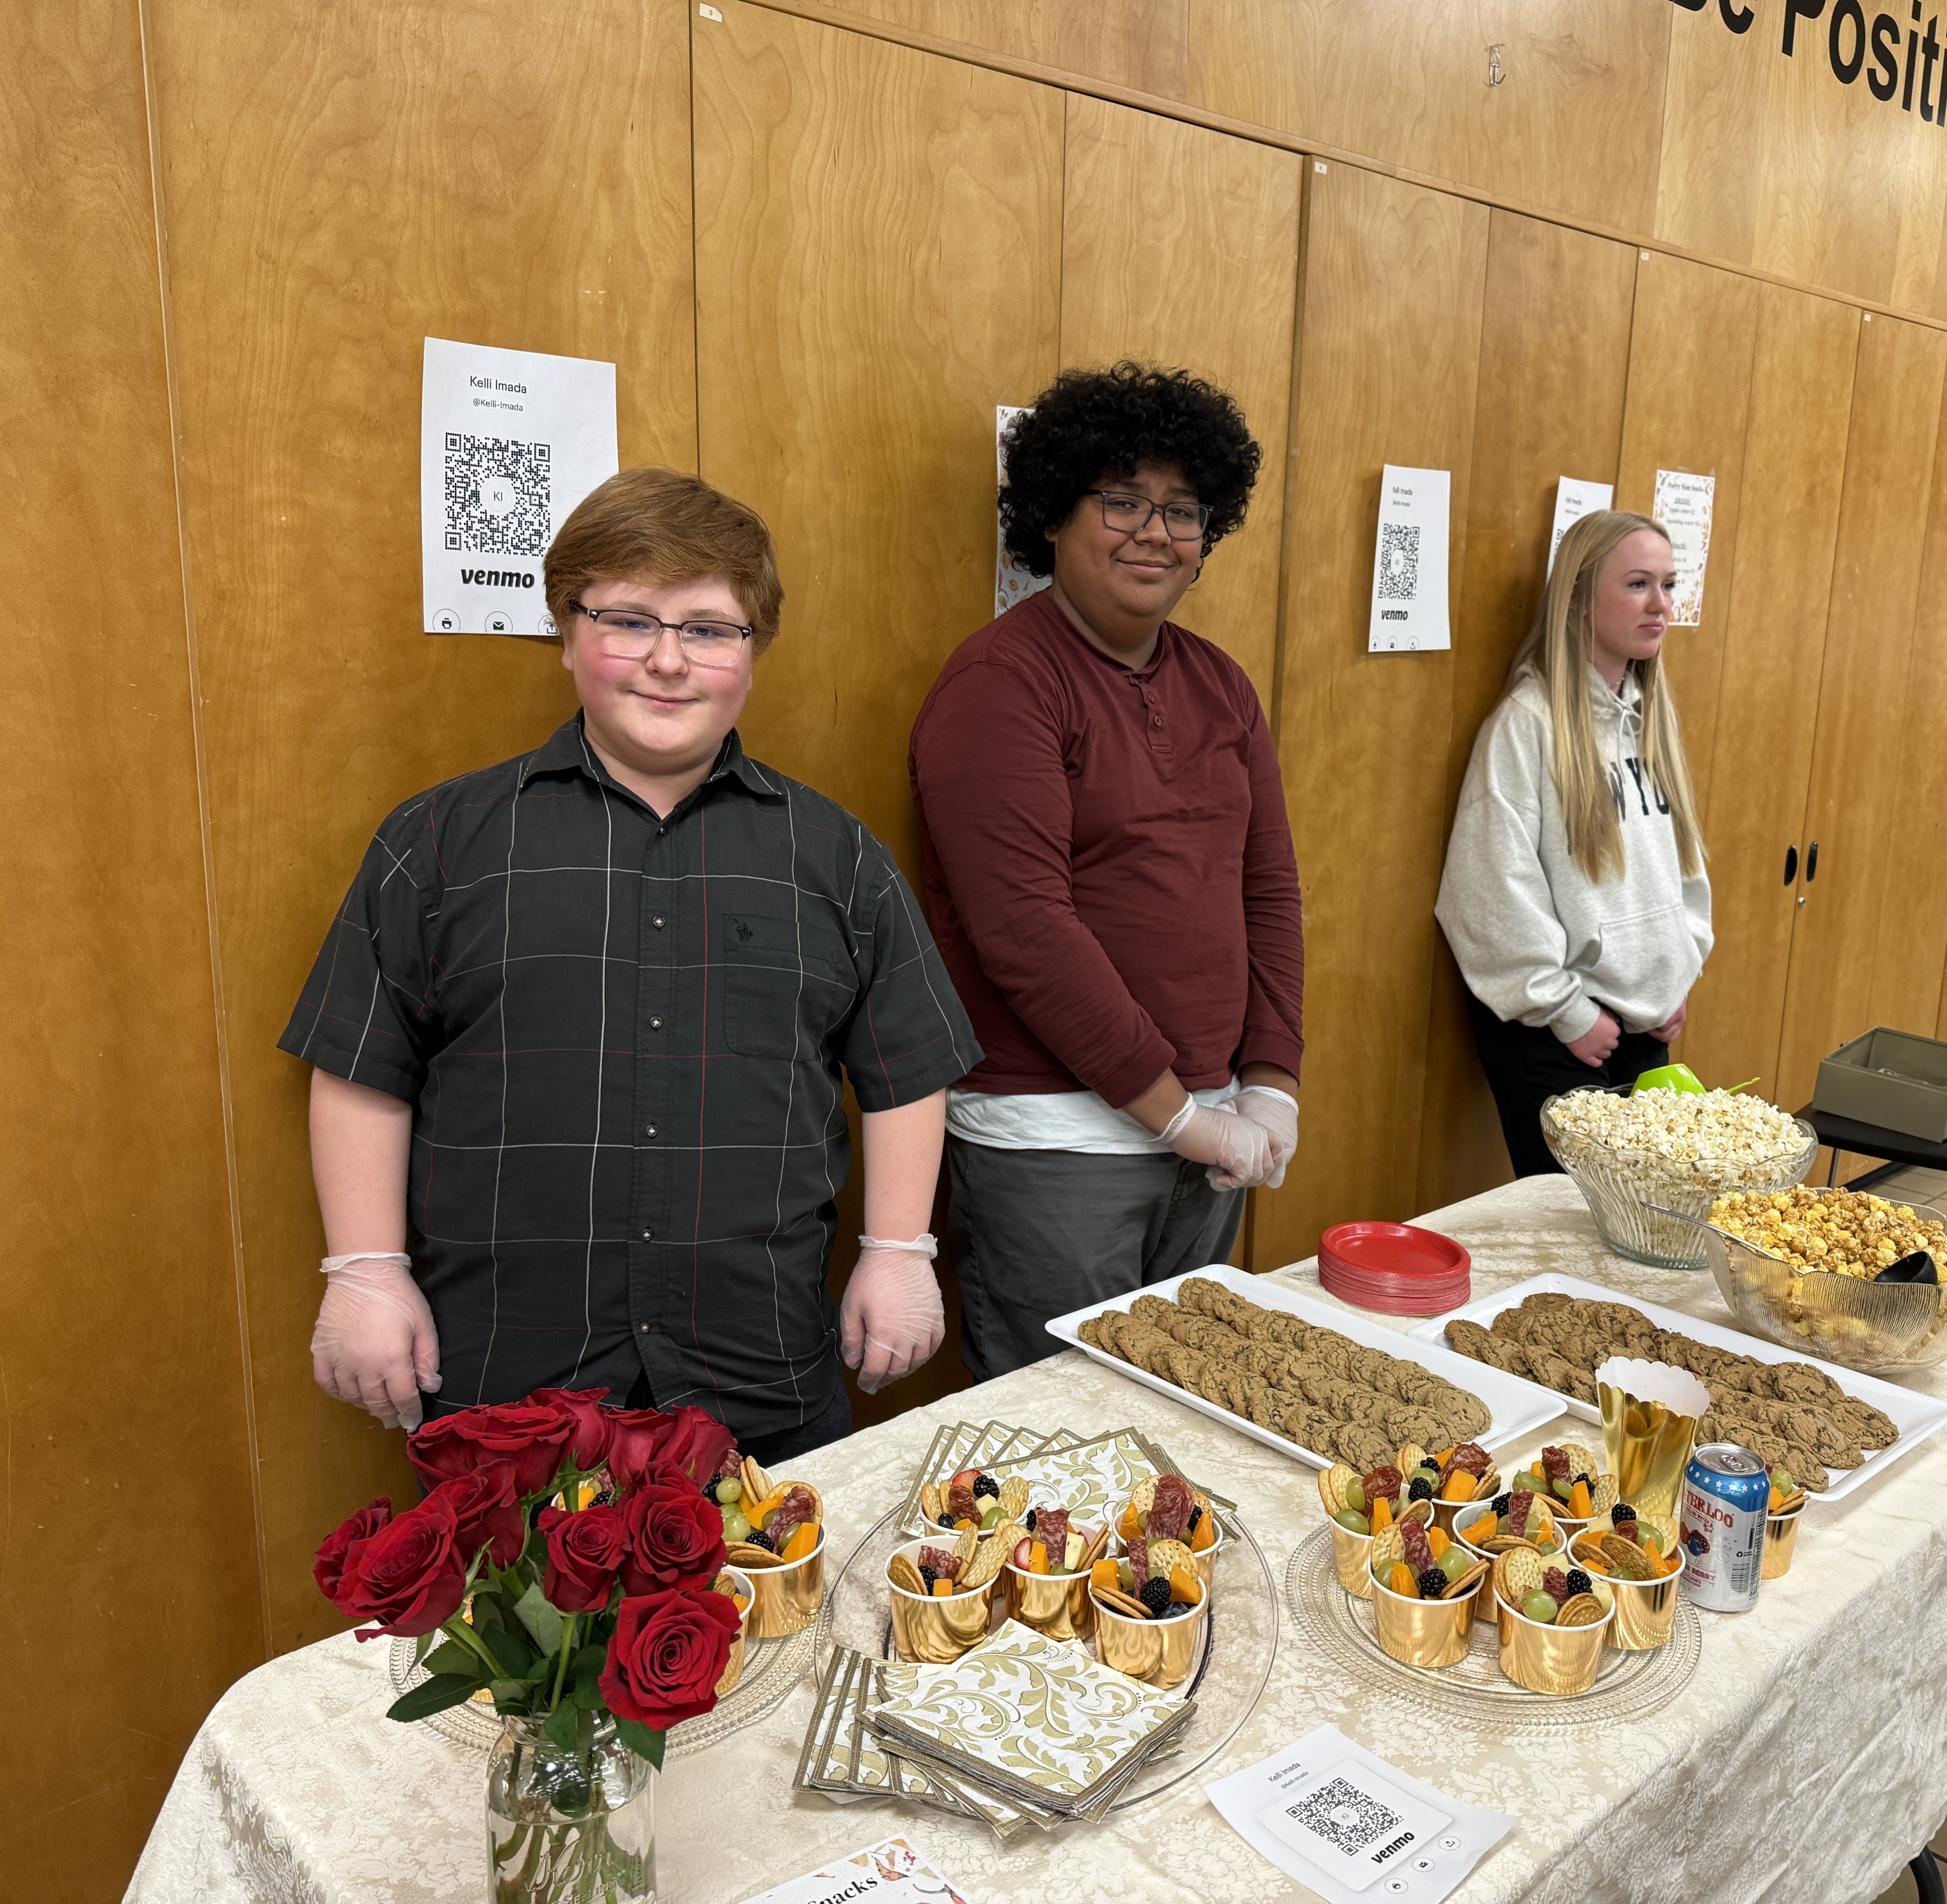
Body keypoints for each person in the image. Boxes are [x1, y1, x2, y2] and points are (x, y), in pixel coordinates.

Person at [282, 467, 980, 1463]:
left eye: (708, 628)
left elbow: (906, 1070)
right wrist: (364, 1269)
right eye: (628, 621)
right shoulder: (439, 843)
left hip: (762, 1375)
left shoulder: (837, 859)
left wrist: (899, 1251)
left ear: (754, 650)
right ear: (567, 637)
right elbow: (363, 1068)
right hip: (505, 1386)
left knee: (780, 1624)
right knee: (519, 1625)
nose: (667, 661)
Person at [909, 362, 1305, 1380]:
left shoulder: (1222, 684)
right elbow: (1026, 933)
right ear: (1052, 512)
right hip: (1057, 1146)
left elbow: (1267, 894)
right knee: (1061, 1449)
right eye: (1122, 500)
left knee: (1182, 1423)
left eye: (1183, 510)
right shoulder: (1001, 683)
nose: (1155, 532)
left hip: (1212, 1137)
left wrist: (1271, 1085)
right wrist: (1177, 1115)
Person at [1435, 509, 1711, 1179]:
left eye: (1668, 585)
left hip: (1645, 1024)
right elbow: (1488, 891)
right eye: (1638, 584)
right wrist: (1564, 1009)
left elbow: (1680, 873)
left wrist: (1675, 974)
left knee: (1643, 1217)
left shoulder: (1651, 725)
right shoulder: (1526, 725)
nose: (1661, 606)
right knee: (1576, 1222)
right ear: (1580, 599)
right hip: (1557, 1032)